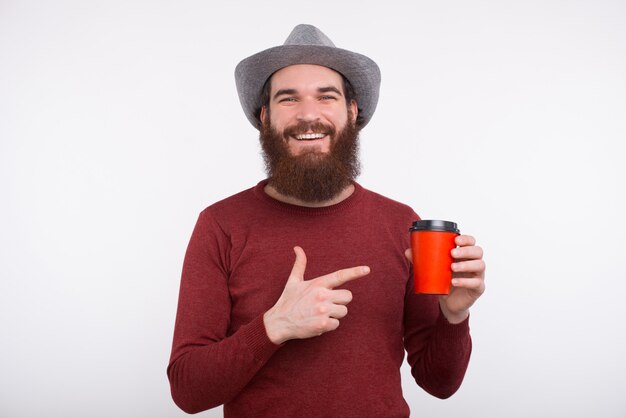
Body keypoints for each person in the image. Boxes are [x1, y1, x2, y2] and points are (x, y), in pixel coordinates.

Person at [167, 24, 486, 417]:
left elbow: (439, 384)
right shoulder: (220, 225)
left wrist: (453, 316)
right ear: (265, 116)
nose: (308, 115)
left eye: (326, 96)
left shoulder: (401, 224)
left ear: (352, 112)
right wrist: (274, 326)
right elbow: (188, 391)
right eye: (288, 99)